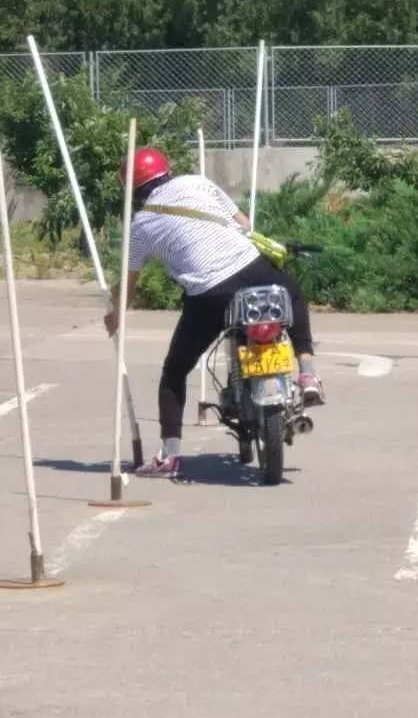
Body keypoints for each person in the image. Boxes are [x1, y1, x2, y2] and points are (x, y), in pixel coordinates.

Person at [103, 146, 324, 478]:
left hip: (210, 295)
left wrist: (114, 313)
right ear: (168, 171)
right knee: (291, 295)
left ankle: (170, 456)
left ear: (132, 190)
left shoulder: (141, 226)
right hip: (253, 267)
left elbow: (129, 285)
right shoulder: (197, 183)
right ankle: (306, 373)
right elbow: (244, 225)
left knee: (175, 372)